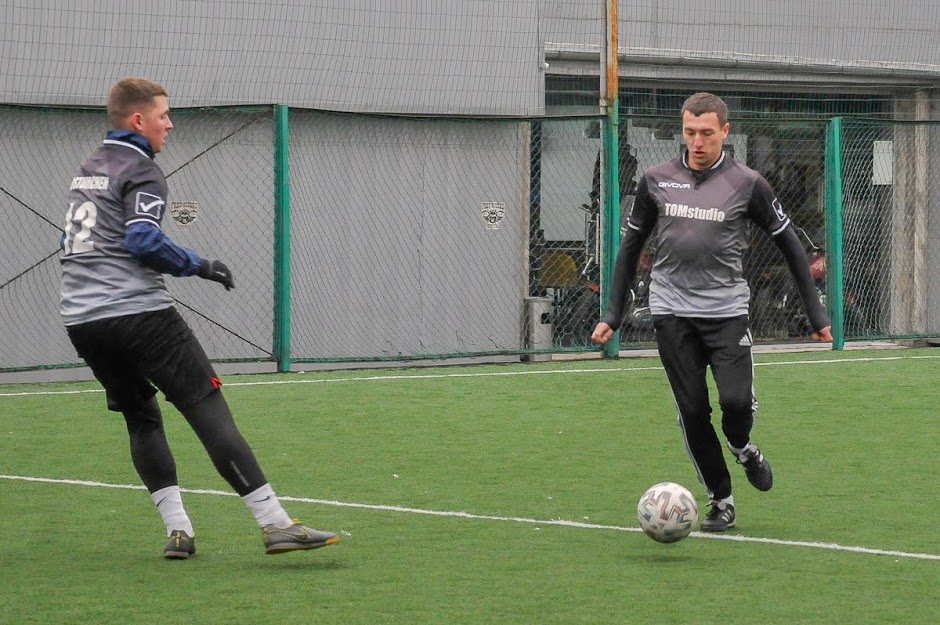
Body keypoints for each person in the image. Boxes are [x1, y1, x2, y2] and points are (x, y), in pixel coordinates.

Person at [59, 77, 339, 558]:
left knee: (141, 419)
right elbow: (142, 240)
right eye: (164, 115)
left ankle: (179, 532)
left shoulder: (89, 167)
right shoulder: (141, 169)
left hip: (82, 320)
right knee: (205, 407)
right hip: (139, 312)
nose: (170, 123)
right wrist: (200, 265)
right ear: (137, 120)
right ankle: (275, 523)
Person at [592, 93, 832, 531]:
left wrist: (816, 316)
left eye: (706, 133)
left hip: (726, 312)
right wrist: (613, 311)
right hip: (671, 311)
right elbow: (629, 247)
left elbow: (791, 246)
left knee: (734, 402)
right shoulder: (655, 180)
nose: (697, 142)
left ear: (724, 130)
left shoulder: (749, 184)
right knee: (693, 410)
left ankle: (743, 448)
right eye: (689, 133)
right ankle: (721, 500)